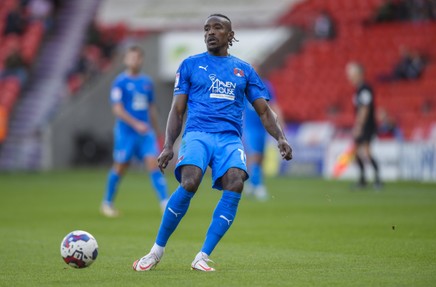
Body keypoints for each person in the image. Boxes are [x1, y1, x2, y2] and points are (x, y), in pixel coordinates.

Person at [132, 14, 293, 272]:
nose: (210, 32)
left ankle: (202, 256)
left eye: (217, 28)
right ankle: (156, 251)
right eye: (207, 28)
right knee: (190, 180)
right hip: (198, 133)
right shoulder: (190, 65)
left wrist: (281, 137)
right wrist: (168, 145)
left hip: (229, 139)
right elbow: (177, 109)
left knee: (235, 182)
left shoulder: (244, 70)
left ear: (230, 35)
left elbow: (264, 111)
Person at [100, 45, 169, 217]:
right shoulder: (120, 82)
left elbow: (151, 108)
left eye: (137, 57)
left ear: (141, 60)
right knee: (120, 166)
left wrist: (158, 130)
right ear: (125, 60)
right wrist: (135, 123)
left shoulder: (147, 82)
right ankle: (107, 203)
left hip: (145, 133)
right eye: (131, 57)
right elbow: (117, 109)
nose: (134, 60)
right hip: (126, 133)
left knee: (154, 164)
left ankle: (165, 203)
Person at [243, 71, 285, 201]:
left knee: (260, 157)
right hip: (249, 127)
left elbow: (273, 104)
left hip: (263, 126)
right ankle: (259, 186)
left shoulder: (265, 86)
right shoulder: (243, 85)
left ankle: (251, 183)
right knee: (254, 155)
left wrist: (280, 123)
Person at [346, 62, 382, 189]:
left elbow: (365, 109)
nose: (349, 77)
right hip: (363, 125)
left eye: (351, 74)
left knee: (366, 152)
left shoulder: (365, 88)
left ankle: (378, 180)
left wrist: (359, 126)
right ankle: (362, 180)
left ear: (359, 74)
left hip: (367, 125)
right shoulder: (359, 89)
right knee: (356, 153)